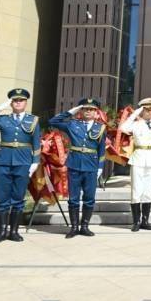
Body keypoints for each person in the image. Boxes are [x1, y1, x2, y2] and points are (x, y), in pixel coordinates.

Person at [49, 98, 106, 238]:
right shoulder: (72, 124)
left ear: (96, 112)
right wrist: (71, 112)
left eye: (91, 109)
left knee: (89, 198)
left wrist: (100, 167)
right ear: (81, 110)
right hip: (74, 165)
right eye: (85, 109)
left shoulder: (101, 128)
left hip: (91, 166)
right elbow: (53, 121)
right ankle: (74, 227)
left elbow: (101, 150)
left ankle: (84, 227)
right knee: (73, 198)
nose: (88, 111)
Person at [0, 89, 41, 243]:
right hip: (3, 162)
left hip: (23, 163)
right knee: (2, 198)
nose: (18, 103)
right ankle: (2, 232)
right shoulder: (2, 119)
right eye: (15, 100)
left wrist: (35, 162)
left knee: (18, 198)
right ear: (11, 103)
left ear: (26, 102)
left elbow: (36, 143)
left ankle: (14, 232)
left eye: (21, 100)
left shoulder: (33, 120)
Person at [119, 98, 151, 232]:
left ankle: (145, 221)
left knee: (148, 191)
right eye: (146, 110)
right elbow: (122, 128)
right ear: (142, 111)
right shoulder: (136, 124)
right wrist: (134, 114)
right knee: (136, 190)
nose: (149, 112)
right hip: (138, 159)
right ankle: (136, 221)